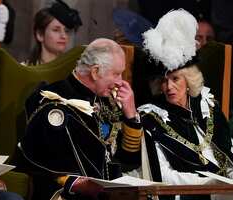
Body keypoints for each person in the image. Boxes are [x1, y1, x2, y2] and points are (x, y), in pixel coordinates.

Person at [136, 10, 233, 200]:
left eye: (175, 78)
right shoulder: (151, 117)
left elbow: (230, 155)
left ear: (188, 80)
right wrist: (207, 184)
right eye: (163, 81)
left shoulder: (207, 105)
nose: (169, 86)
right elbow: (162, 175)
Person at [17, 38, 142, 199]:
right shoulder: (52, 101)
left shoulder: (109, 103)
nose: (120, 82)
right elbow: (42, 164)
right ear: (95, 72)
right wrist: (77, 184)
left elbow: (129, 161)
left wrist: (130, 115)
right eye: (116, 74)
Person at [24, 0, 82, 65]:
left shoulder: (73, 70)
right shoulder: (24, 69)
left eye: (66, 31)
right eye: (56, 30)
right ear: (40, 35)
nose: (64, 36)